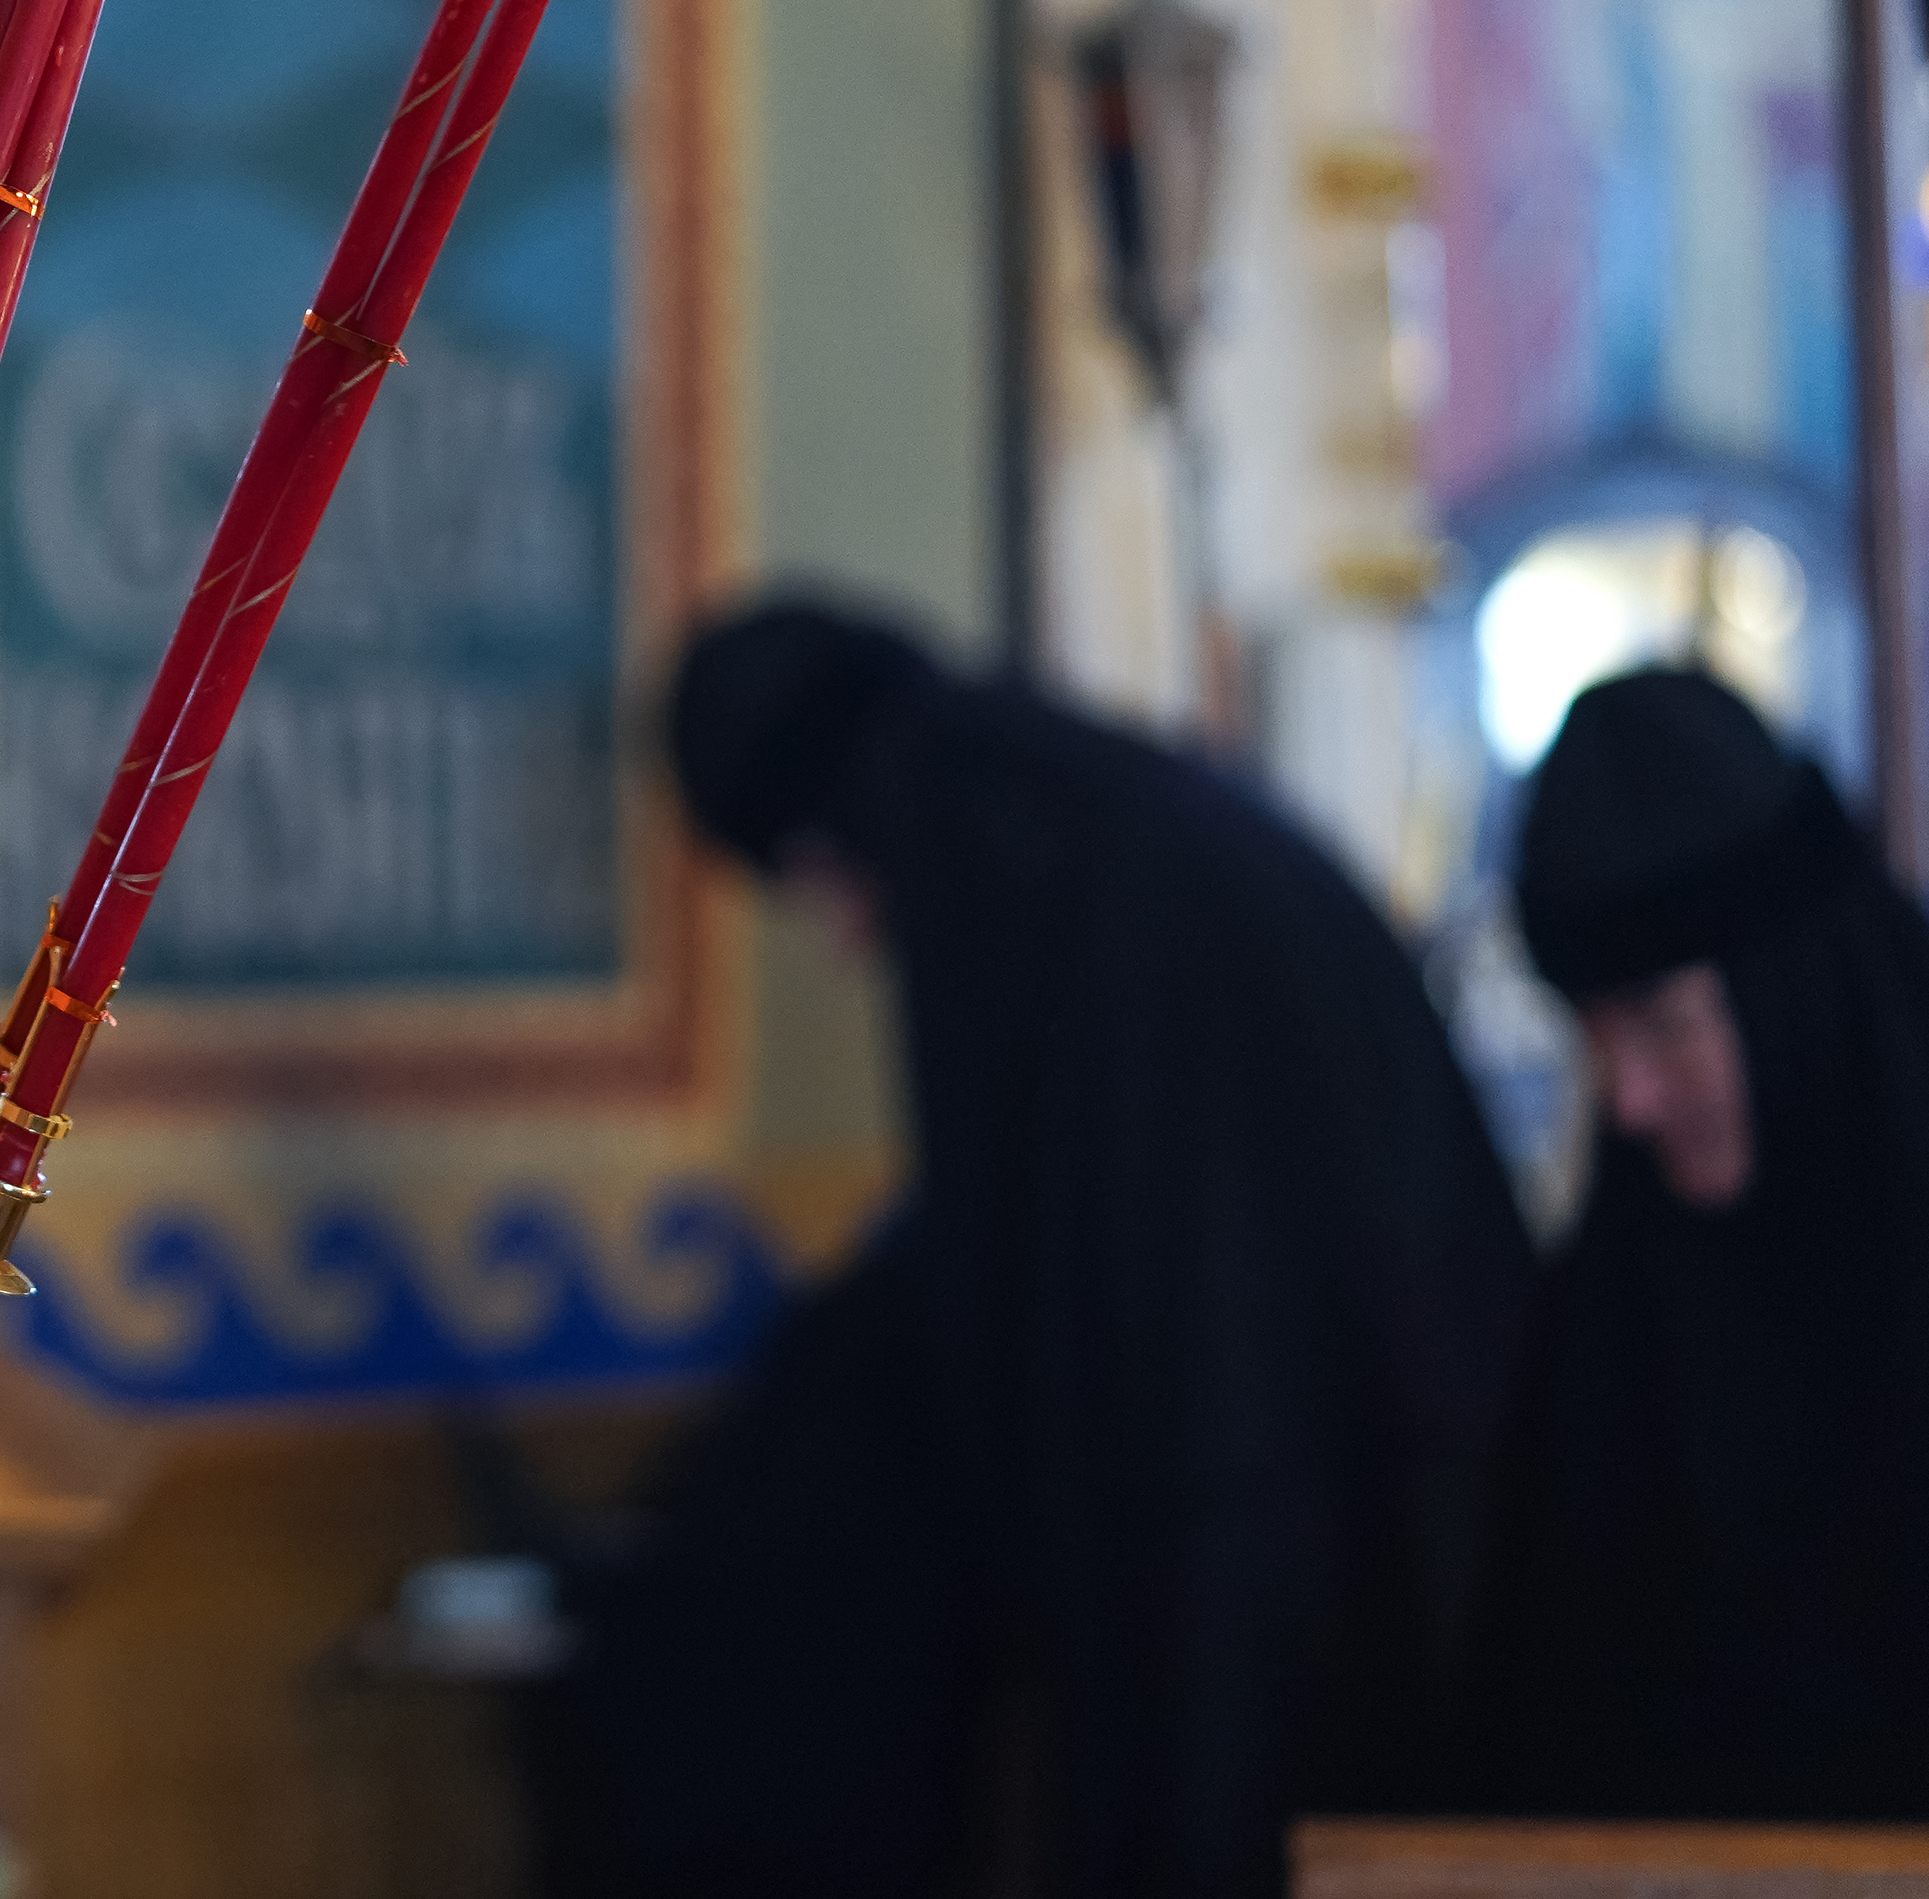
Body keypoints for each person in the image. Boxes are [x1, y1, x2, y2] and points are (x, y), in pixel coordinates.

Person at [577, 597, 1533, 1898]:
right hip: (1391, 1537)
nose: (851, 938)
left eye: (815, 881)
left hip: (1242, 1582)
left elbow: (1048, 1314)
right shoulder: (1098, 808)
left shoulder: (993, 853)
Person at [1469, 664, 1929, 1819]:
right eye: (1594, 1041)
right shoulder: (1613, 1315)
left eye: (1664, 1030)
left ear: (1789, 990)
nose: (1627, 1103)